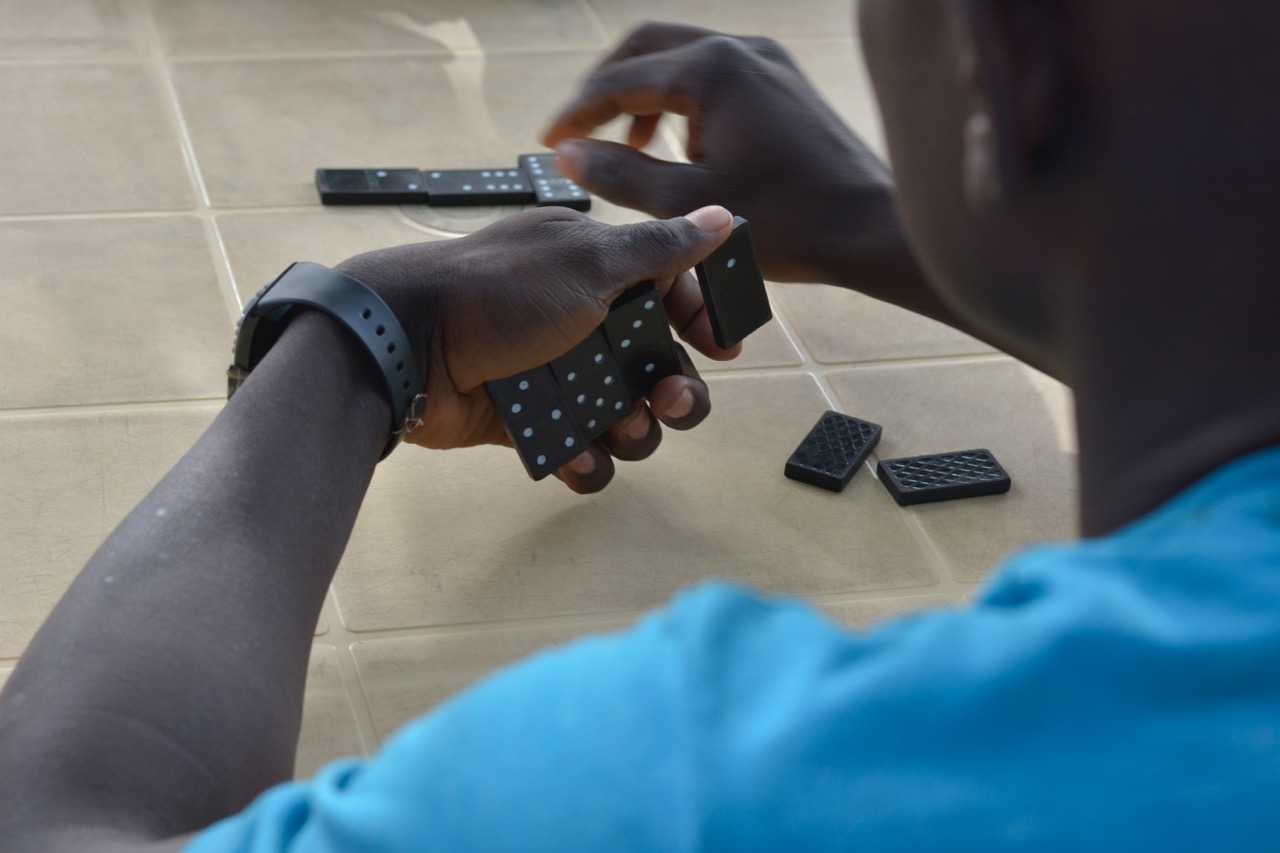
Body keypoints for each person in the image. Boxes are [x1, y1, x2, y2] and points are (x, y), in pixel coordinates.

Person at [3, 1, 1280, 849]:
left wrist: (366, 335)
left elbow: (54, 819)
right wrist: (919, 229)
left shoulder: (719, 786)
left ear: (1004, 68)